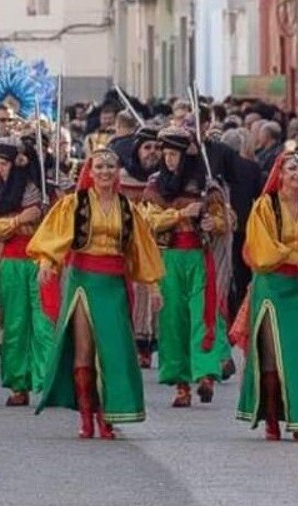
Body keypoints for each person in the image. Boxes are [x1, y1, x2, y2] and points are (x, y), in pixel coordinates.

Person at [28, 148, 163, 439]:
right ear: (90, 171)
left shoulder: (127, 208)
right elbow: (55, 237)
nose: (104, 171)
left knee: (113, 351)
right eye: (99, 166)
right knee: (84, 350)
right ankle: (87, 417)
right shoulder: (74, 204)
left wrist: (152, 286)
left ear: (118, 171)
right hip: (83, 283)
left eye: (110, 166)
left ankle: (108, 415)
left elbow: (141, 249)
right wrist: (47, 262)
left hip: (113, 285)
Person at [235, 150, 298, 440]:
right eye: (292, 169)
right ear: (280, 174)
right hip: (272, 288)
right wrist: (293, 256)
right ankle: (271, 419)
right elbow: (260, 248)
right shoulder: (265, 206)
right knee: (270, 356)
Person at [142, 128, 230, 407]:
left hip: (199, 257)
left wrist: (212, 223)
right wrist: (181, 214)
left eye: (174, 154)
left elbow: (227, 219)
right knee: (172, 320)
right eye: (165, 154)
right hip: (169, 258)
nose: (168, 159)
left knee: (203, 315)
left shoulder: (205, 183)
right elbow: (149, 221)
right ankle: (180, 384)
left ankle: (205, 373)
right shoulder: (155, 185)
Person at [0, 137, 47, 406]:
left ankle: (47, 380)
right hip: (11, 262)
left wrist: (43, 212)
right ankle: (17, 384)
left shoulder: (45, 191)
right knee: (15, 324)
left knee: (44, 323)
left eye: (3, 164)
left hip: (41, 262)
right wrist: (20, 219)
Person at [118, 127, 162, 368]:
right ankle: (133, 344)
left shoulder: (165, 180)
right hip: (128, 244)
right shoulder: (122, 178)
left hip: (157, 243)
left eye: (157, 148)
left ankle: (149, 346)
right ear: (138, 151)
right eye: (147, 148)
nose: (152, 153)